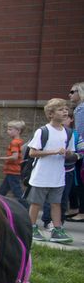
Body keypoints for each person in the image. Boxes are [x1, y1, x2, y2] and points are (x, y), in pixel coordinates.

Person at [27, 98, 76, 243]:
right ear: (51, 114)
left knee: (56, 203)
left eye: (66, 109)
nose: (65, 112)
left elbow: (71, 153)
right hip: (41, 175)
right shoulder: (43, 131)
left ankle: (57, 230)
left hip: (58, 176)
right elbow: (32, 153)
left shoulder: (68, 133)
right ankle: (32, 227)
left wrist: (68, 154)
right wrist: (54, 152)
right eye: (61, 109)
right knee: (36, 203)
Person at [0, 120, 28, 207]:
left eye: (10, 129)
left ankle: (27, 208)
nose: (8, 131)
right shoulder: (19, 141)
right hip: (12, 170)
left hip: (13, 170)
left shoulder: (14, 142)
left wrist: (1, 158)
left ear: (18, 131)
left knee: (17, 192)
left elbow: (15, 157)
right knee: (3, 190)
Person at [67, 83, 84, 222]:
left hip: (82, 150)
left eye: (73, 92)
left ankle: (81, 212)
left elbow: (81, 133)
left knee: (80, 180)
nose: (70, 94)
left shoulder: (80, 109)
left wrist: (78, 152)